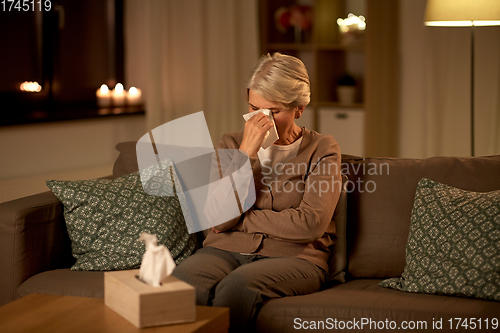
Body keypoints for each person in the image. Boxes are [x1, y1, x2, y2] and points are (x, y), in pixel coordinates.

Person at [172, 52, 341, 332]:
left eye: (273, 111)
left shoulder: (322, 149)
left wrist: (244, 219)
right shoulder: (231, 143)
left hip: (294, 258)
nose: (262, 121)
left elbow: (310, 224)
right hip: (224, 250)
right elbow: (218, 219)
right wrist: (246, 153)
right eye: (254, 108)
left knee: (236, 289)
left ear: (298, 108)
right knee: (183, 283)